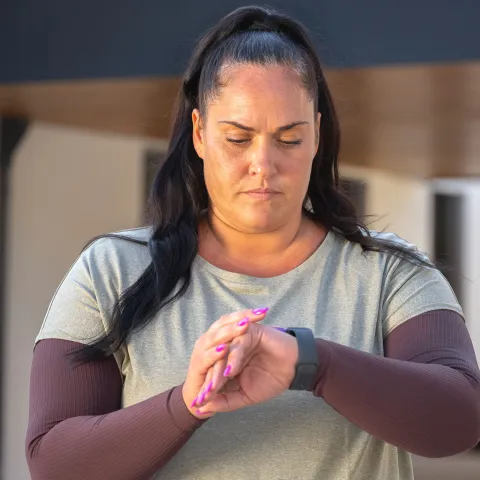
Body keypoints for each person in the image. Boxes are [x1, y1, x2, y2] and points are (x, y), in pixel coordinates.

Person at [26, 5, 480, 480]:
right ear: (200, 133)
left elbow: (459, 419)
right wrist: (187, 404)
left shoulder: (389, 273)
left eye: (289, 138)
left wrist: (311, 362)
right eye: (238, 138)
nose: (264, 164)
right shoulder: (112, 271)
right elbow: (54, 461)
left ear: (317, 135)